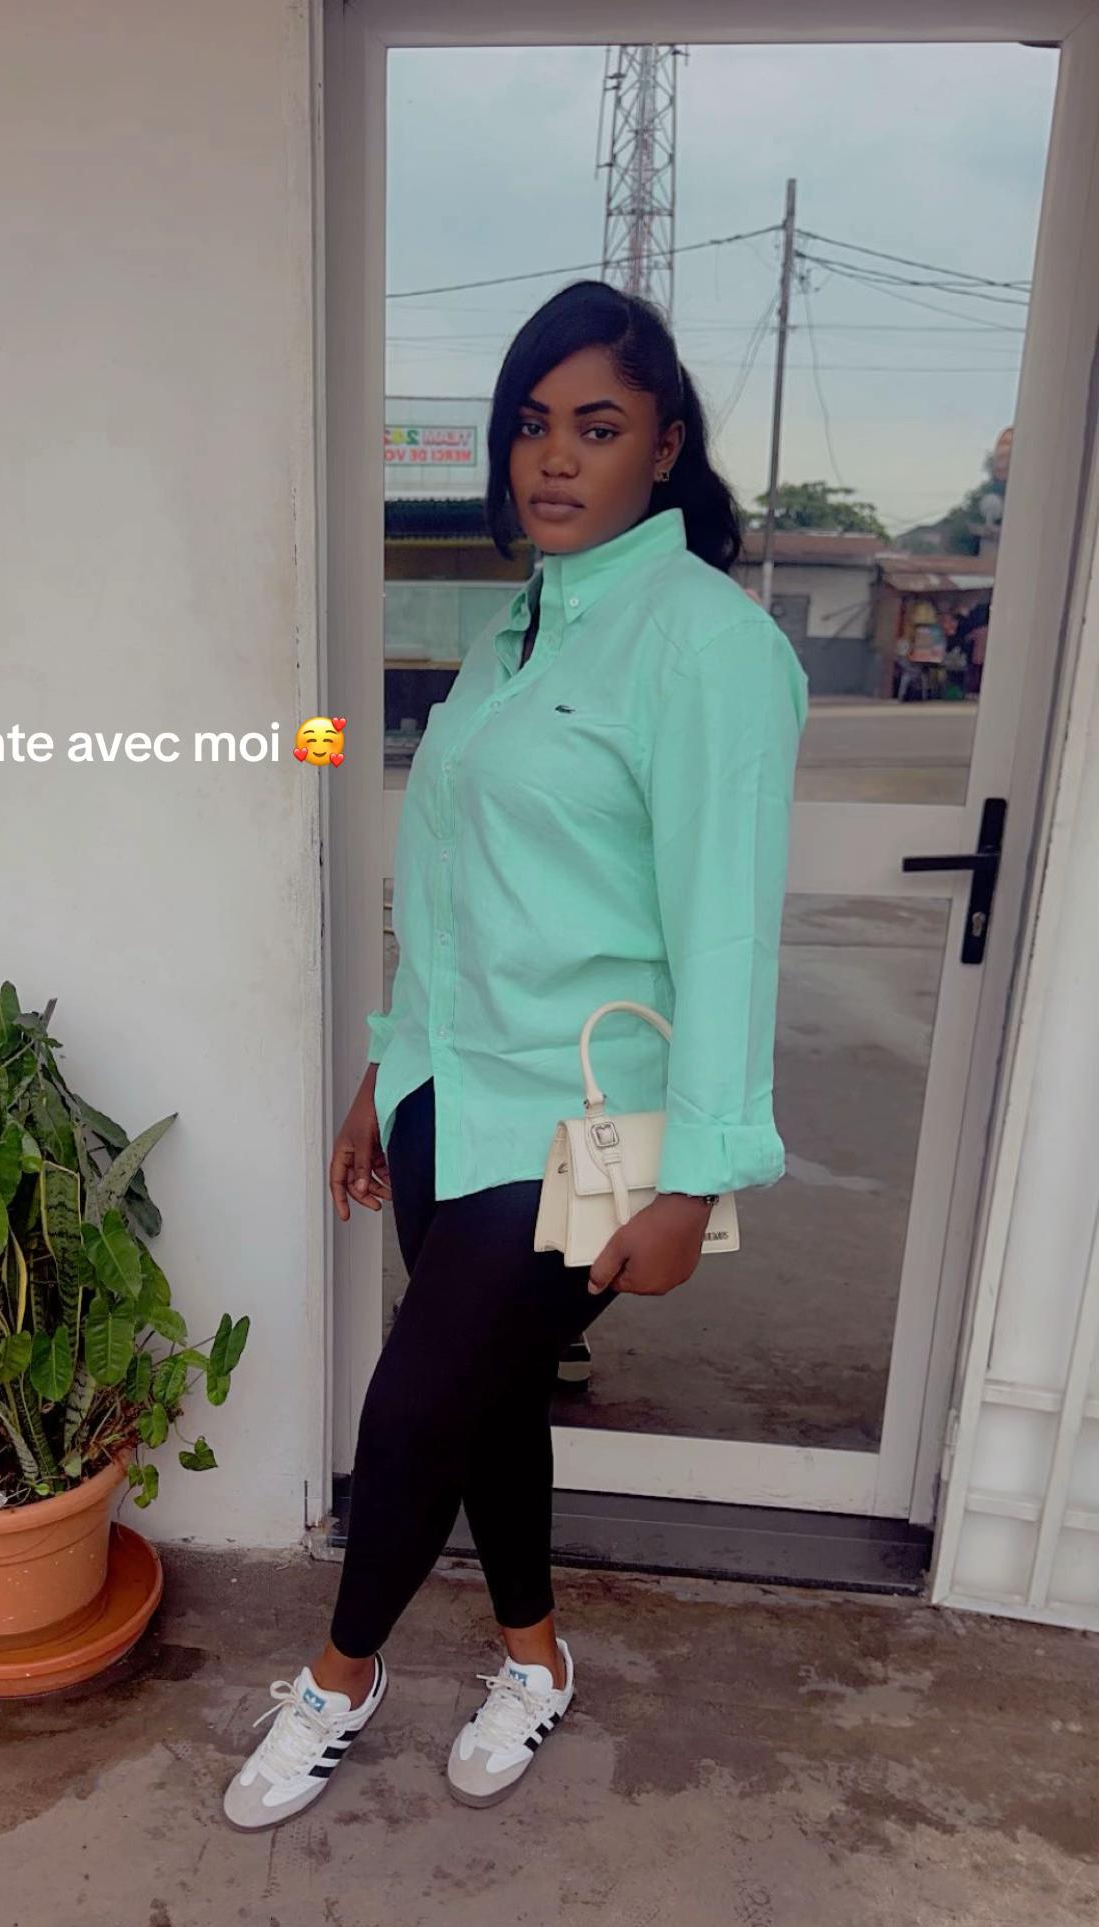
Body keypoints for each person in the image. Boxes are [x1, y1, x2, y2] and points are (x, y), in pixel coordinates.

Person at [223, 278, 807, 1833]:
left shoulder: (708, 649)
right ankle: (535, 1657)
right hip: (450, 1095)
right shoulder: (515, 633)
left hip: (583, 1122)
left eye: (596, 427)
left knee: (413, 1403)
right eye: (531, 425)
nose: (553, 457)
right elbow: (453, 886)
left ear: (664, 446)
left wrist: (697, 1175)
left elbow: (727, 930)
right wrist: (385, 1064)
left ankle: (338, 1678)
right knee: (485, 1403)